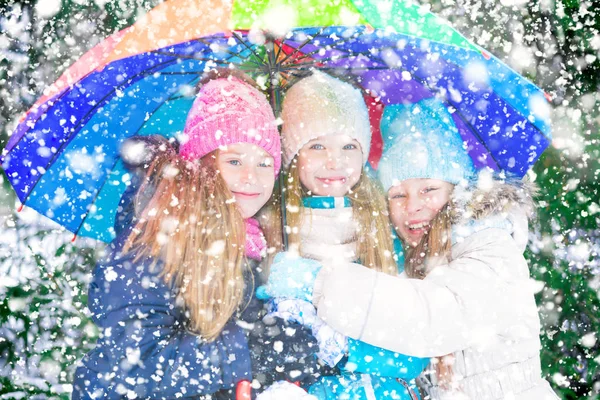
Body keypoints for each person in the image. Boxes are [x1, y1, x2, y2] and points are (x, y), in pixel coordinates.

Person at [261, 97, 559, 399]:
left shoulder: (489, 245)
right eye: (398, 195)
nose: (413, 206)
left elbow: (431, 319)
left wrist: (318, 281)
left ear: (456, 190)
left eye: (428, 189)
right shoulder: (419, 257)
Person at [72, 73, 319, 399]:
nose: (251, 177)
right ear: (200, 164)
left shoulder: (252, 240)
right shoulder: (158, 234)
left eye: (264, 163)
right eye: (233, 160)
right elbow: (129, 367)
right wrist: (251, 350)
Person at [260, 71, 428, 399]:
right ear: (294, 155)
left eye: (348, 145)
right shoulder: (272, 233)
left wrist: (342, 349)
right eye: (317, 145)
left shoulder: (387, 228)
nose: (335, 160)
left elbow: (414, 353)